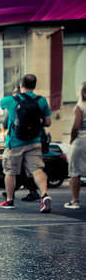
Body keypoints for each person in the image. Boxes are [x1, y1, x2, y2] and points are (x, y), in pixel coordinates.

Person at [0, 74, 52, 212]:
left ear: (21, 86)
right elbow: (48, 122)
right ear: (34, 86)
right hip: (34, 142)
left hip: (14, 143)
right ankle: (45, 195)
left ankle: (10, 200)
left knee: (10, 172)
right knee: (37, 170)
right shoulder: (42, 101)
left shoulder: (11, 100)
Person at [65, 81, 86, 209]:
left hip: (81, 141)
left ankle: (75, 201)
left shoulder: (80, 106)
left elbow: (75, 126)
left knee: (75, 171)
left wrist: (71, 139)